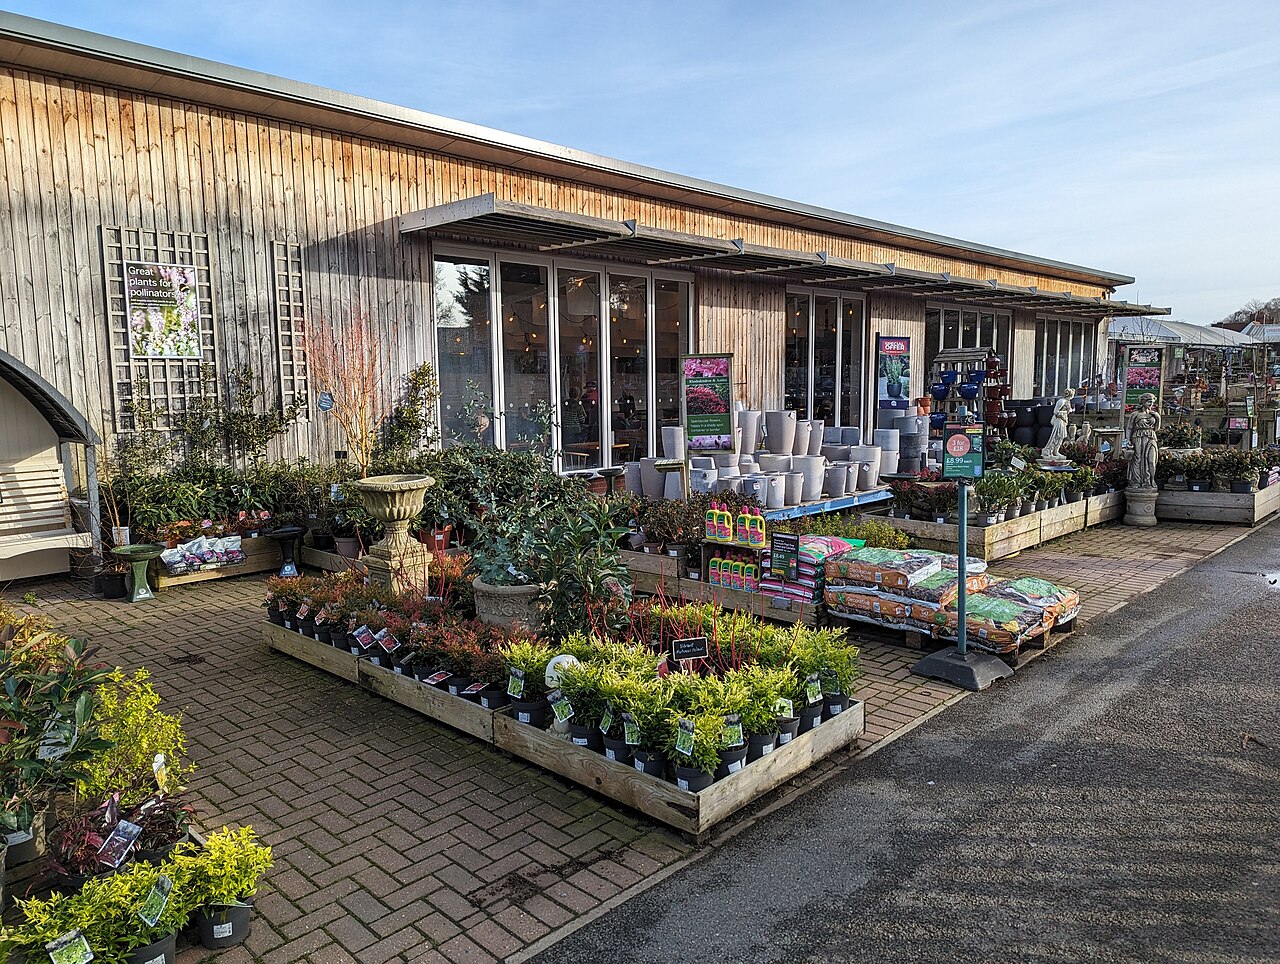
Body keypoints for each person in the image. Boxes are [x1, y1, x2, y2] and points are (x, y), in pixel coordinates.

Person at [1125, 392, 1161, 489]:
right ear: (1143, 401)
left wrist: (1158, 418)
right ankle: (1136, 481)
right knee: (1138, 459)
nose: (1151, 404)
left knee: (1151, 460)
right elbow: (1129, 428)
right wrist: (1128, 440)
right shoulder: (1135, 414)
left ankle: (1150, 480)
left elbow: (1157, 429)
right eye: (1149, 401)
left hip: (1151, 437)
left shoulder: (1154, 415)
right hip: (1138, 437)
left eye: (1152, 402)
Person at [1040, 388, 1074, 461]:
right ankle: (1048, 451)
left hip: (1064, 420)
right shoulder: (1061, 401)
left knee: (1061, 436)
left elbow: (1069, 410)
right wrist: (1063, 415)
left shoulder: (1067, 402)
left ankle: (1056, 451)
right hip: (1059, 420)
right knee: (1056, 435)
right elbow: (1055, 412)